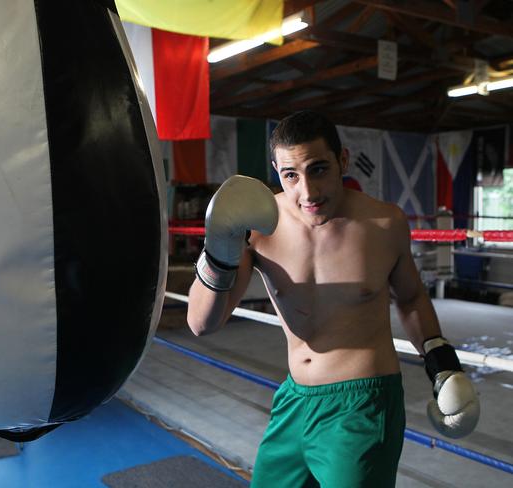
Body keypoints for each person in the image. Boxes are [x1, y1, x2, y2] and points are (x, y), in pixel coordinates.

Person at [186, 110, 480, 487]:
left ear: (342, 160)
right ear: (276, 170)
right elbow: (201, 323)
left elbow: (410, 299)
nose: (307, 192)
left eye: (319, 169)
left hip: (361, 406)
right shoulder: (259, 225)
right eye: (291, 175)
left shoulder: (383, 224)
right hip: (294, 399)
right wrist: (219, 252)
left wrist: (443, 365)